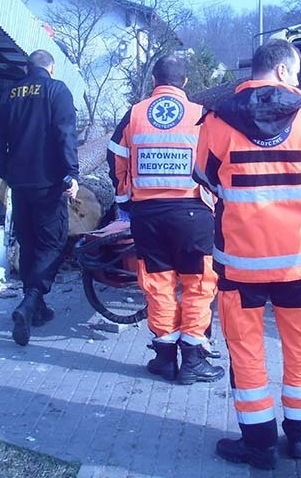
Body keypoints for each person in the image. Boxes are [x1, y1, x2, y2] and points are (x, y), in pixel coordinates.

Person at [193, 39, 301, 469]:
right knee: (300, 348)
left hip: (241, 264)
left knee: (247, 352)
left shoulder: (215, 123)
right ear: (285, 72)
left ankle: (259, 447)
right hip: (298, 262)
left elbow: (205, 179)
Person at [107, 54, 224, 385]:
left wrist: (125, 199)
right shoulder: (202, 115)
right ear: (185, 83)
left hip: (148, 215)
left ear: (154, 80)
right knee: (198, 285)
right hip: (193, 213)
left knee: (158, 285)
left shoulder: (134, 114)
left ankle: (163, 357)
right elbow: (219, 160)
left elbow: (116, 156)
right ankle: (193, 361)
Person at [0, 49, 79, 347]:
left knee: (28, 243)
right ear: (50, 68)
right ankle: (30, 302)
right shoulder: (57, 90)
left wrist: (7, 172)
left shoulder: (7, 94)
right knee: (52, 243)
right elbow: (64, 133)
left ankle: (36, 309)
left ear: (27, 68)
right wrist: (70, 173)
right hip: (49, 182)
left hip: (19, 184)